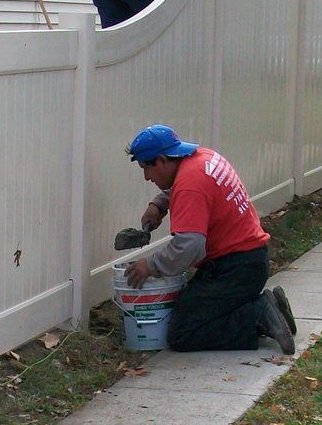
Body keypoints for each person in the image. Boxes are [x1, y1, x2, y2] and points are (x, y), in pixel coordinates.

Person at [123, 124, 296, 354]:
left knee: (182, 333)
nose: (146, 177)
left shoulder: (189, 186)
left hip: (235, 271)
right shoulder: (202, 158)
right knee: (193, 308)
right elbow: (196, 189)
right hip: (250, 261)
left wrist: (151, 265)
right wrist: (159, 203)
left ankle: (258, 314)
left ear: (163, 159)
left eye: (147, 168)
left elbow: (189, 247)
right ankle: (272, 310)